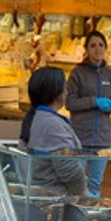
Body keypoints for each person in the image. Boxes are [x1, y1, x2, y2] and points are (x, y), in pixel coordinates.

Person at [66, 31, 111, 197]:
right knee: (76, 183)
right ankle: (74, 218)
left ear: (105, 48)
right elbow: (70, 103)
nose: (97, 49)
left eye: (101, 45)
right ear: (86, 50)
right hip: (80, 138)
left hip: (102, 140)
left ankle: (91, 217)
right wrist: (94, 102)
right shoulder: (77, 73)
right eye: (93, 45)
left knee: (95, 183)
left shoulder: (110, 75)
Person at [21, 66, 87, 197]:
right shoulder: (52, 124)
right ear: (57, 93)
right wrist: (84, 195)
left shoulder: (38, 116)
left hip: (41, 197)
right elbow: (69, 170)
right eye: (65, 88)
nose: (67, 92)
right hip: (54, 201)